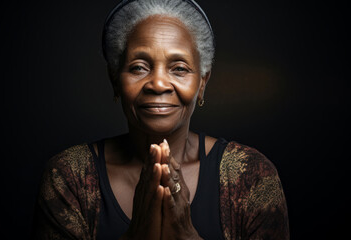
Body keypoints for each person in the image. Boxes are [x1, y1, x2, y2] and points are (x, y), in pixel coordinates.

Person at [32, 0, 289, 239]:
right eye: (138, 67)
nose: (157, 83)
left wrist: (187, 235)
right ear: (115, 80)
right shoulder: (68, 178)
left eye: (179, 68)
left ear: (202, 83)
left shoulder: (252, 177)